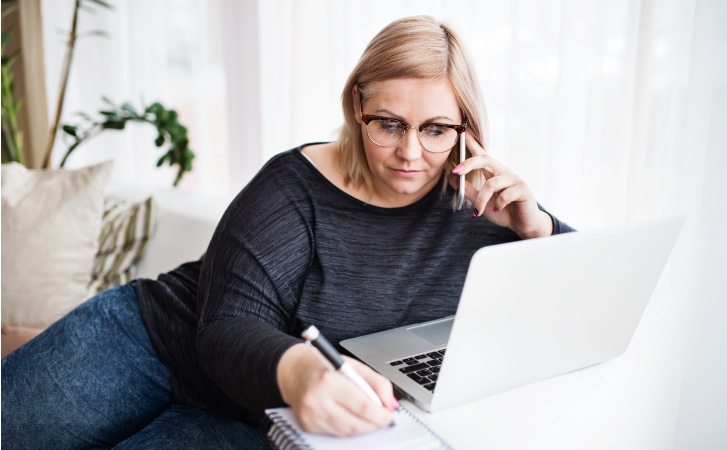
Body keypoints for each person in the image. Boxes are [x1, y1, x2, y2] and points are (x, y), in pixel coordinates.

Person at [1, 15, 573, 449]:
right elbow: (226, 329)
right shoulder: (293, 186)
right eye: (389, 123)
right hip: (154, 343)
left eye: (436, 129)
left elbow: (590, 301)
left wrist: (538, 229)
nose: (410, 152)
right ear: (357, 106)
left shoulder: (484, 203)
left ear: (466, 129)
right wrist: (304, 371)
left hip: (256, 415)